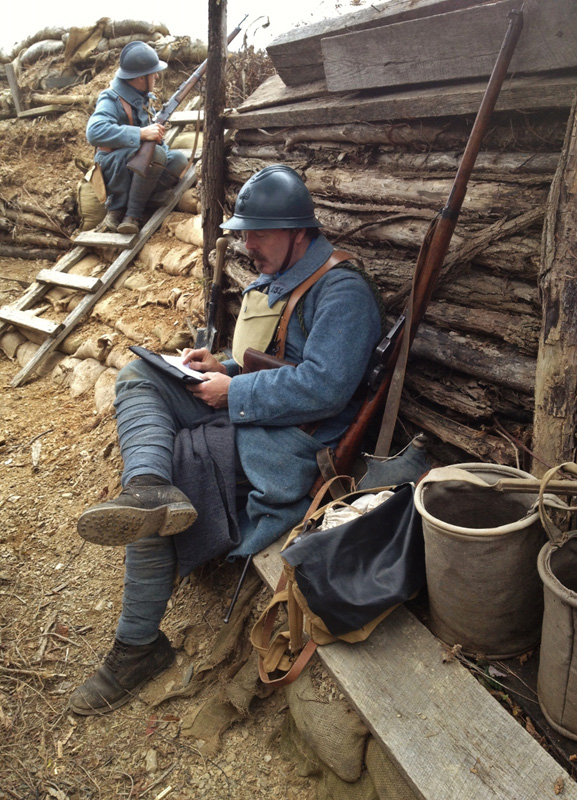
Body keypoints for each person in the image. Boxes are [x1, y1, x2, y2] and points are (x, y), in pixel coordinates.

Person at [68, 165, 383, 715]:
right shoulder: (300, 278)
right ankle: (145, 485)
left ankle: (138, 646)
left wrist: (233, 393)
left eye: (258, 233)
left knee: (181, 462)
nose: (247, 244)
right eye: (243, 232)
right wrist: (226, 368)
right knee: (139, 377)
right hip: (265, 412)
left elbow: (326, 387)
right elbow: (284, 362)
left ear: (298, 233)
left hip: (293, 444)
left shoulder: (344, 293)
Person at [86, 40, 188, 235]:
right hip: (114, 167)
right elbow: (94, 132)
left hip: (137, 164)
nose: (157, 76)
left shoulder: (143, 97)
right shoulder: (111, 98)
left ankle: (131, 203)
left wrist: (156, 139)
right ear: (141, 78)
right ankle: (132, 215)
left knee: (177, 160)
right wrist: (141, 134)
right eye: (153, 73)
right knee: (157, 154)